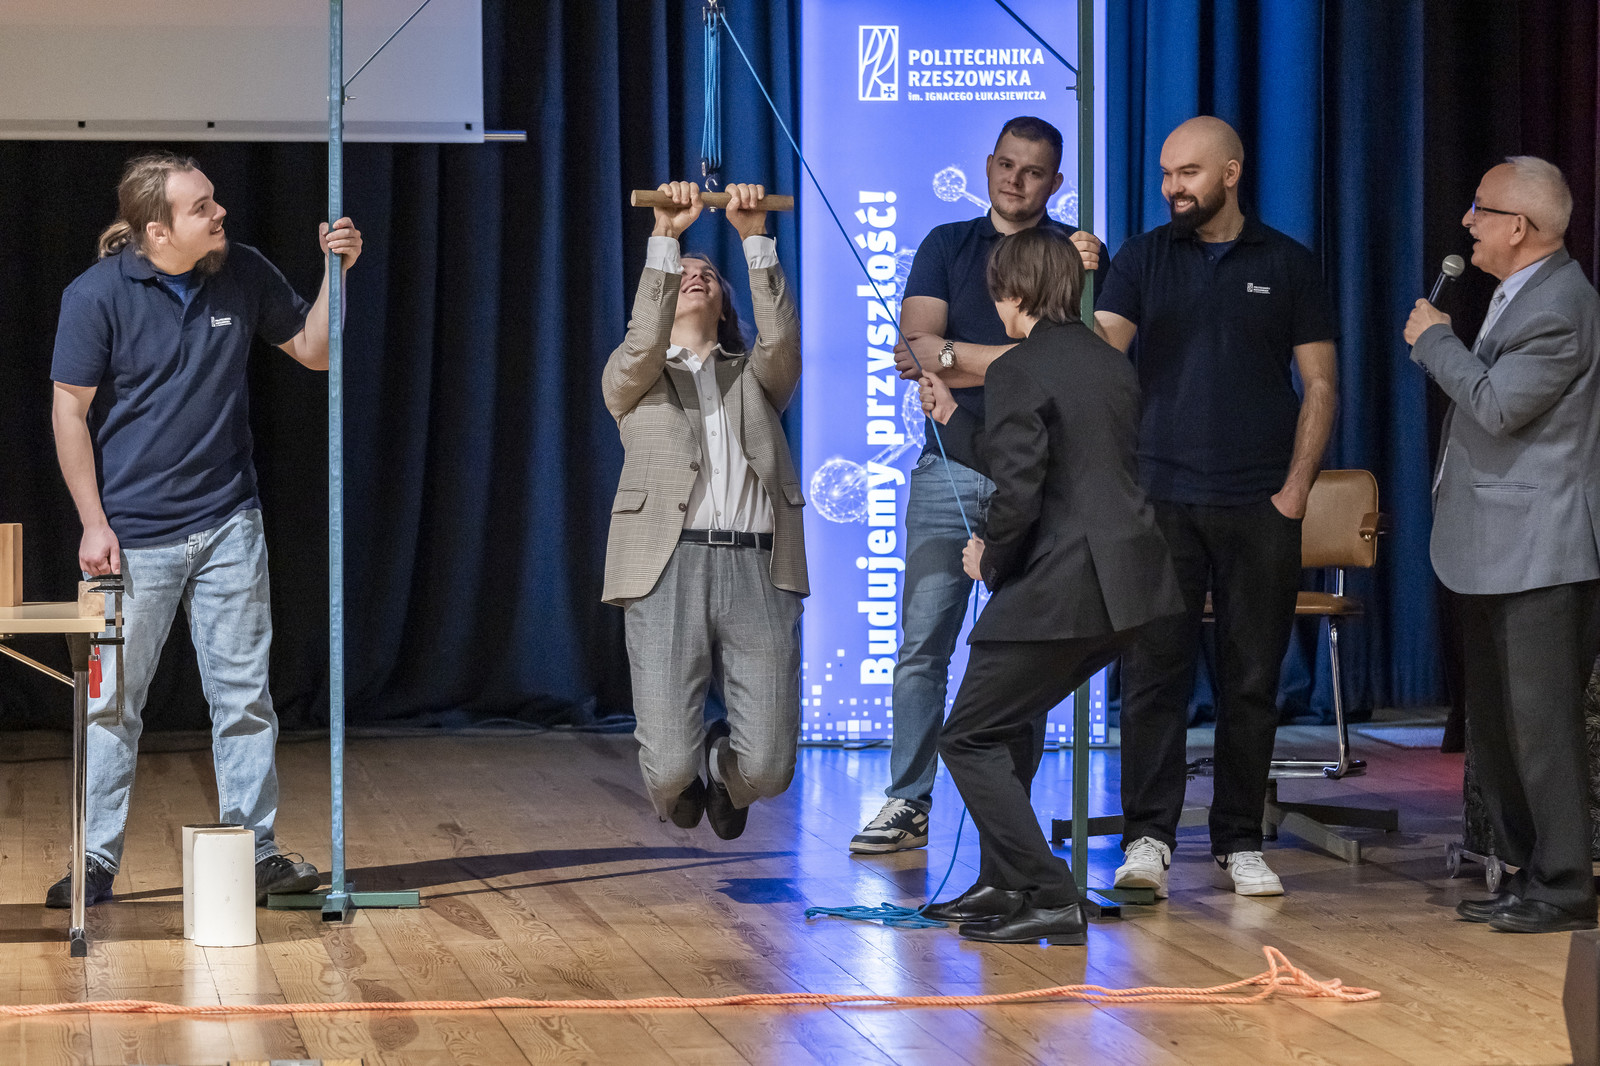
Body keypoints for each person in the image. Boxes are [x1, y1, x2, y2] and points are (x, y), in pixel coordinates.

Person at [49, 152, 362, 907]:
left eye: (214, 199)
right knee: (112, 703)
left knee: (244, 697)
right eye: (201, 207)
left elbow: (316, 352)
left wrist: (337, 272)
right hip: (132, 537)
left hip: (228, 524)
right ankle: (96, 858)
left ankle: (255, 851)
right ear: (157, 231)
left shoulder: (240, 270)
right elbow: (68, 411)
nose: (220, 213)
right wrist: (93, 523)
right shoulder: (96, 295)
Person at [1093, 116, 1338, 897]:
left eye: (1188, 173)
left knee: (1252, 680)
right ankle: (1147, 840)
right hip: (1161, 501)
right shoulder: (1142, 258)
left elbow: (1320, 384)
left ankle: (1239, 840)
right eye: (1166, 173)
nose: (1172, 187)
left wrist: (1295, 491)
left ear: (1231, 173)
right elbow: (1098, 355)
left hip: (1261, 503)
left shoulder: (1289, 263)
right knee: (1152, 676)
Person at [916, 227, 1181, 944]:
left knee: (967, 737)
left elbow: (1019, 492)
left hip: (1067, 581)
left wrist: (990, 559)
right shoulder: (1107, 362)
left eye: (998, 293)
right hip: (1130, 586)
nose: (996, 305)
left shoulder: (1016, 368)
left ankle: (1049, 893)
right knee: (1002, 728)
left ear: (1016, 293)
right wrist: (952, 418)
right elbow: (1054, 458)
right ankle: (1006, 882)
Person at [852, 116, 1103, 854]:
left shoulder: (1075, 253)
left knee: (1023, 647)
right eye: (1006, 164)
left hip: (1042, 471)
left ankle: (1007, 816)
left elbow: (1084, 360)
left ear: (1056, 183)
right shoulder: (947, 244)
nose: (1015, 180)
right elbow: (914, 349)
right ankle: (908, 800)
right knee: (924, 640)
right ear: (988, 163)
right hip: (951, 466)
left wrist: (959, 358)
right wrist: (1018, 358)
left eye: (1033, 171)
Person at [1404, 156, 1600, 934]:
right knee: (1497, 729)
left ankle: (1565, 885)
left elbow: (1499, 405)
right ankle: (1525, 873)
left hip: (1541, 551)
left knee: (1541, 729)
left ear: (1518, 227)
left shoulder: (1562, 304)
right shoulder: (1519, 292)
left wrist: (1435, 341)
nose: (1467, 221)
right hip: (1494, 547)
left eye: (1479, 209)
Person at [601, 180, 805, 841]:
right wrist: (666, 236)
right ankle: (686, 778)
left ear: (723, 307)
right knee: (666, 777)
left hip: (758, 569)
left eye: (708, 275)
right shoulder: (634, 377)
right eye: (683, 273)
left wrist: (754, 239)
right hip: (666, 569)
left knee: (769, 767)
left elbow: (781, 339)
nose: (695, 277)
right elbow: (642, 341)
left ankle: (723, 768)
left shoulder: (756, 376)